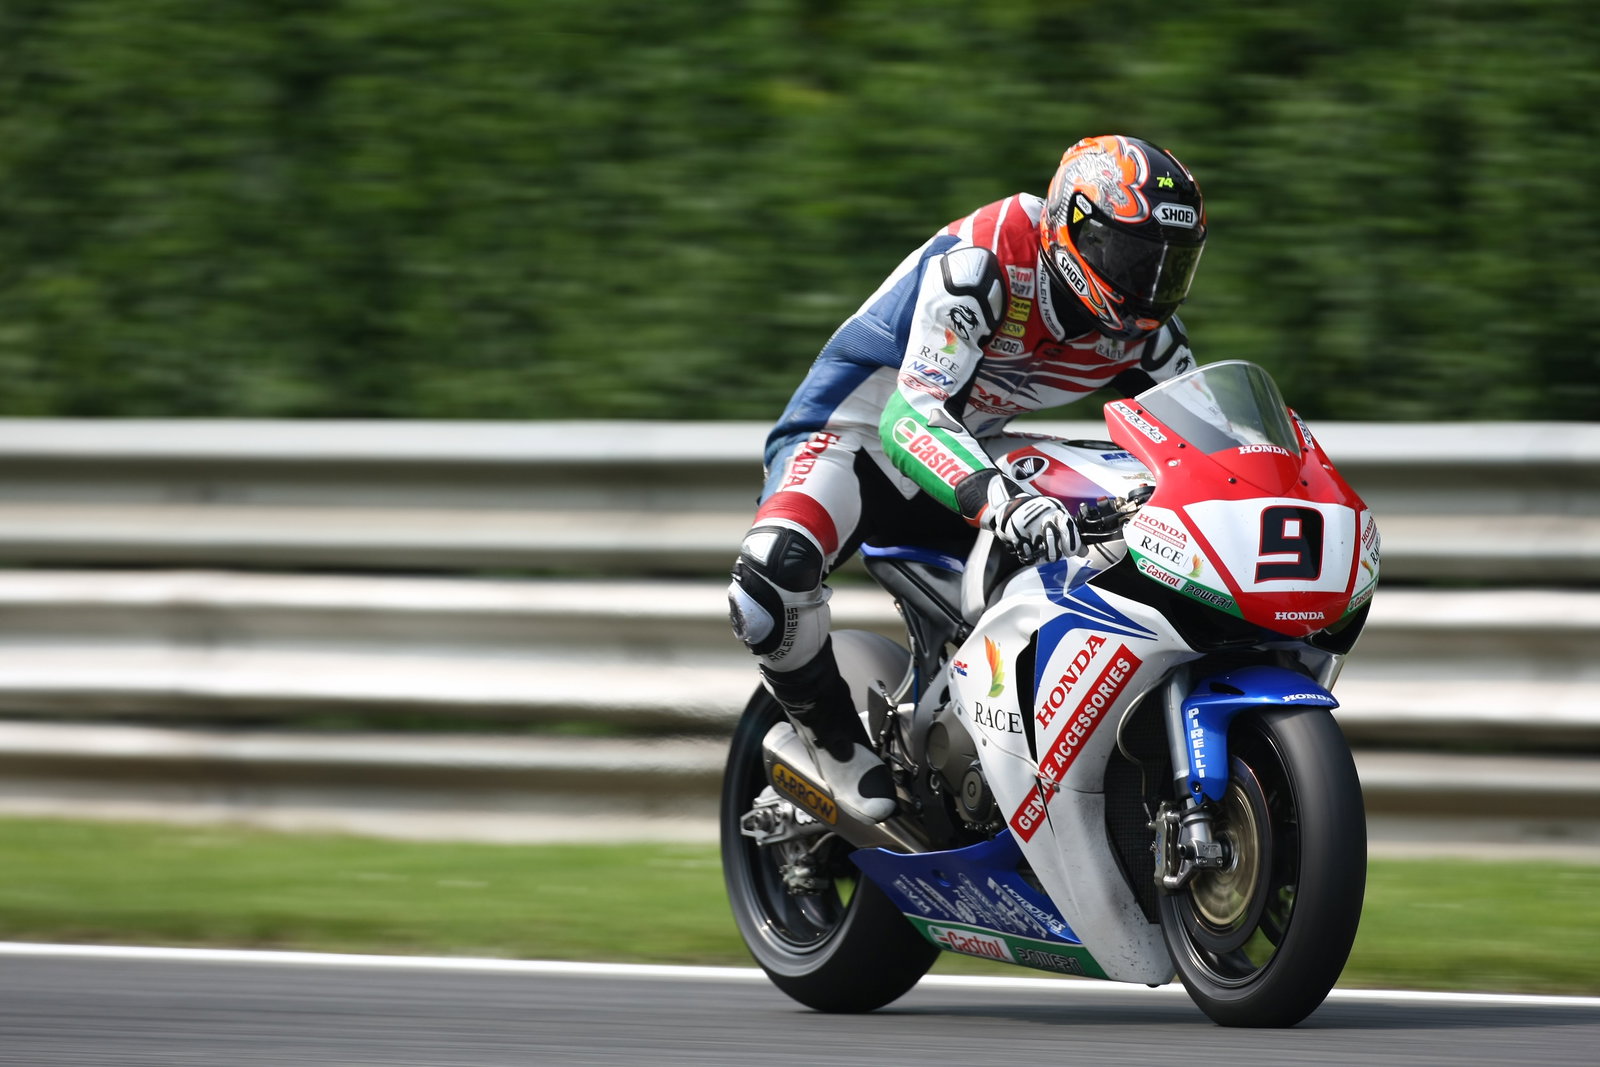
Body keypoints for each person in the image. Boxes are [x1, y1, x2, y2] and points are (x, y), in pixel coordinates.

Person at [727, 134, 1207, 824]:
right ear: (1075, 231)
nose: (1150, 285)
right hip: (856, 436)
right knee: (769, 579)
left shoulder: (1145, 335)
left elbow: (1196, 435)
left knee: (1128, 518)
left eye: (1171, 266)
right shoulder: (984, 262)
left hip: (978, 445)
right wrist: (1003, 502)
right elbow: (912, 414)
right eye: (1134, 257)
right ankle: (831, 745)